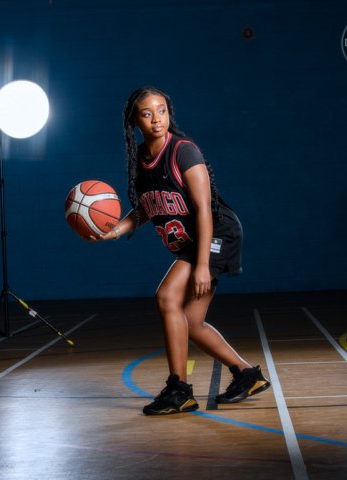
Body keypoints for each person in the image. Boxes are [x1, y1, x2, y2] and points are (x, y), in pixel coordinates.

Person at [98, 86, 271, 415]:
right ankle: (247, 374)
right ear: (134, 121)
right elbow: (146, 208)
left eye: (161, 110)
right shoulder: (141, 159)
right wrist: (116, 230)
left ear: (169, 113)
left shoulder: (183, 151)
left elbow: (204, 209)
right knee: (191, 322)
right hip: (195, 242)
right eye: (147, 114)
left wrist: (203, 263)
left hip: (217, 232)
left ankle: (178, 389)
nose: (156, 119)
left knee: (166, 298)